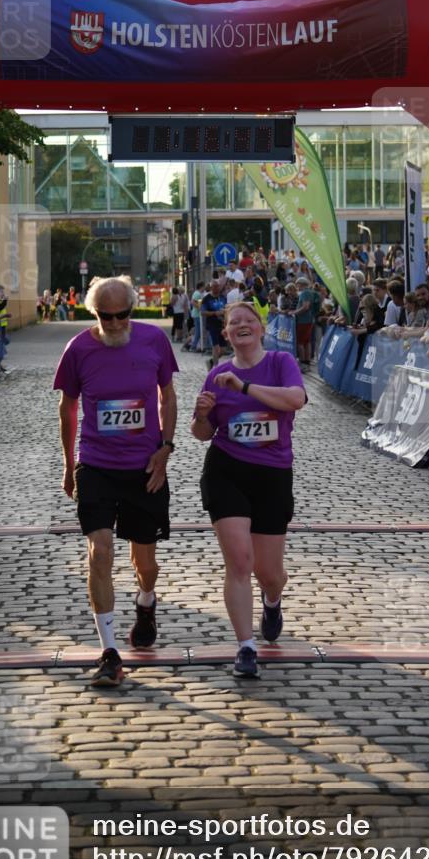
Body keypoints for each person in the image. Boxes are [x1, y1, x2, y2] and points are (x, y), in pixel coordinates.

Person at [53, 275, 178, 688]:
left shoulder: (153, 341)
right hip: (98, 465)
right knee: (99, 551)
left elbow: (169, 397)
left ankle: (145, 602)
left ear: (132, 310)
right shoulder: (78, 350)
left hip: (144, 467)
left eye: (122, 315)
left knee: (145, 562)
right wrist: (70, 466)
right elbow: (67, 410)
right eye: (106, 317)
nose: (114, 323)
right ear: (94, 313)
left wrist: (165, 447)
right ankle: (109, 651)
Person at [191, 302, 307, 679]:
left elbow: (295, 400)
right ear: (225, 334)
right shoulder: (217, 375)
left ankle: (272, 600)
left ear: (261, 329)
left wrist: (243, 387)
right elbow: (202, 433)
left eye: (248, 321)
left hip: (273, 475)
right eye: (233, 323)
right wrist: (204, 415)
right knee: (239, 562)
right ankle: (245, 647)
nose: (241, 326)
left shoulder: (279, 363)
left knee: (268, 571)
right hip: (227, 471)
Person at [201, 278, 226, 369]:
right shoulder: (206, 299)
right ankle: (215, 369)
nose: (216, 288)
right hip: (212, 325)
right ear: (211, 287)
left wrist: (225, 312)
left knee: (223, 350)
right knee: (216, 347)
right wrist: (215, 313)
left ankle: (211, 361)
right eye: (214, 286)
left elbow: (226, 308)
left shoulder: (223, 297)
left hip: (222, 325)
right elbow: (203, 312)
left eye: (218, 286)